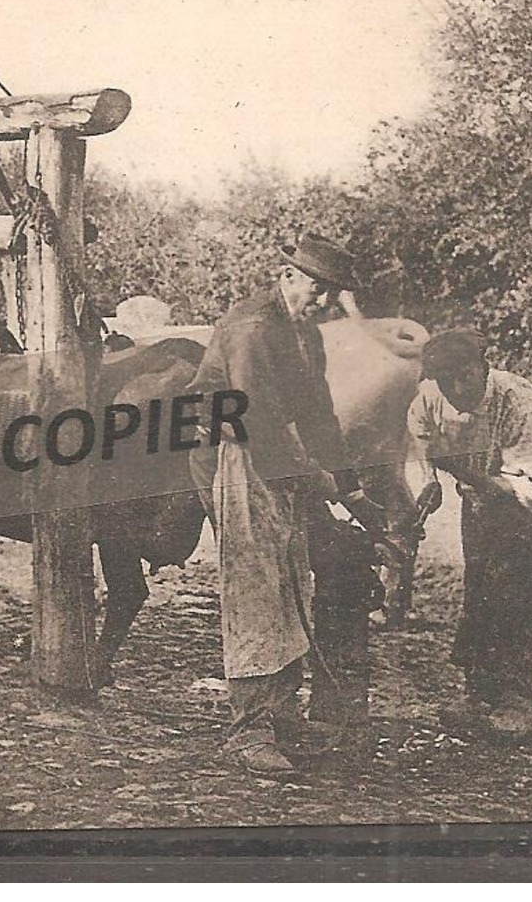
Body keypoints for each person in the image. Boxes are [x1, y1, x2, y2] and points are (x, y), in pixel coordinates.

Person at [188, 233, 375, 776]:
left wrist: (352, 486)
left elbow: (319, 415)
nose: (321, 302)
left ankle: (282, 712)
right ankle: (247, 729)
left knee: (292, 579)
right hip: (232, 452)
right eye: (317, 289)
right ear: (288, 276)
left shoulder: (305, 336)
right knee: (254, 584)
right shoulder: (253, 328)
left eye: (330, 294)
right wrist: (318, 481)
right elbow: (257, 421)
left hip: (277, 456)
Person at [407, 328, 532, 742]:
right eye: (448, 381)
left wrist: (464, 473)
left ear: (484, 366)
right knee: (480, 585)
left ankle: (521, 699)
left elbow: (529, 494)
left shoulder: (519, 404)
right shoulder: (429, 395)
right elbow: (419, 434)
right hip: (479, 491)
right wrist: (429, 479)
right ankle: (480, 693)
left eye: (466, 376)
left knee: (527, 588)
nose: (458, 389)